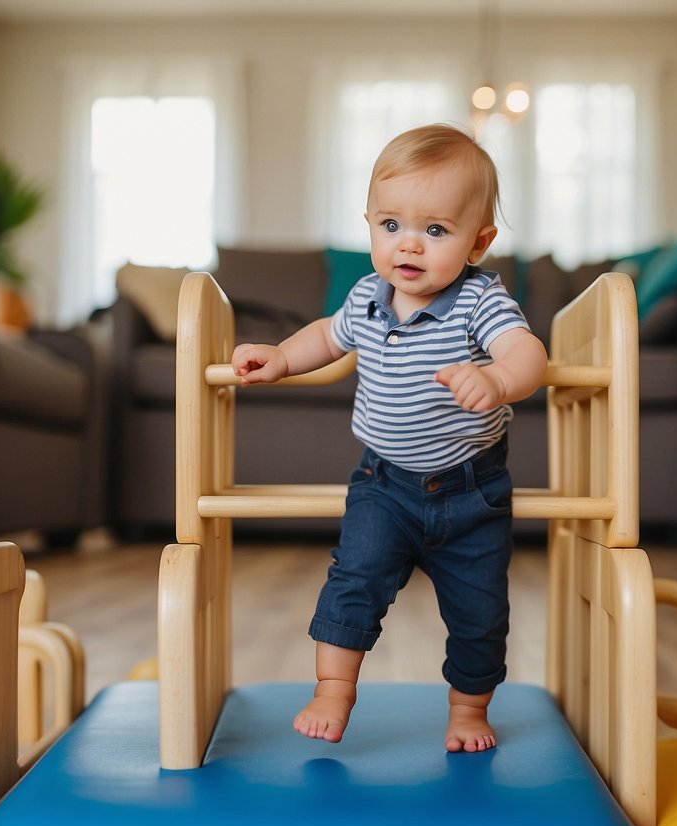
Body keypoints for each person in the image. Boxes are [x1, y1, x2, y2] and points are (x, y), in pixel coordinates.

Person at [230, 124, 547, 753]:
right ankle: (332, 691)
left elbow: (528, 352)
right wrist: (280, 358)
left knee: (480, 615)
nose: (409, 245)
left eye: (436, 230)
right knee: (354, 581)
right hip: (384, 485)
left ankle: (467, 710)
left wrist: (498, 378)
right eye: (391, 225)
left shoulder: (479, 300)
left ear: (478, 241)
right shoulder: (367, 297)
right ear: (370, 225)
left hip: (472, 494)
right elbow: (323, 336)